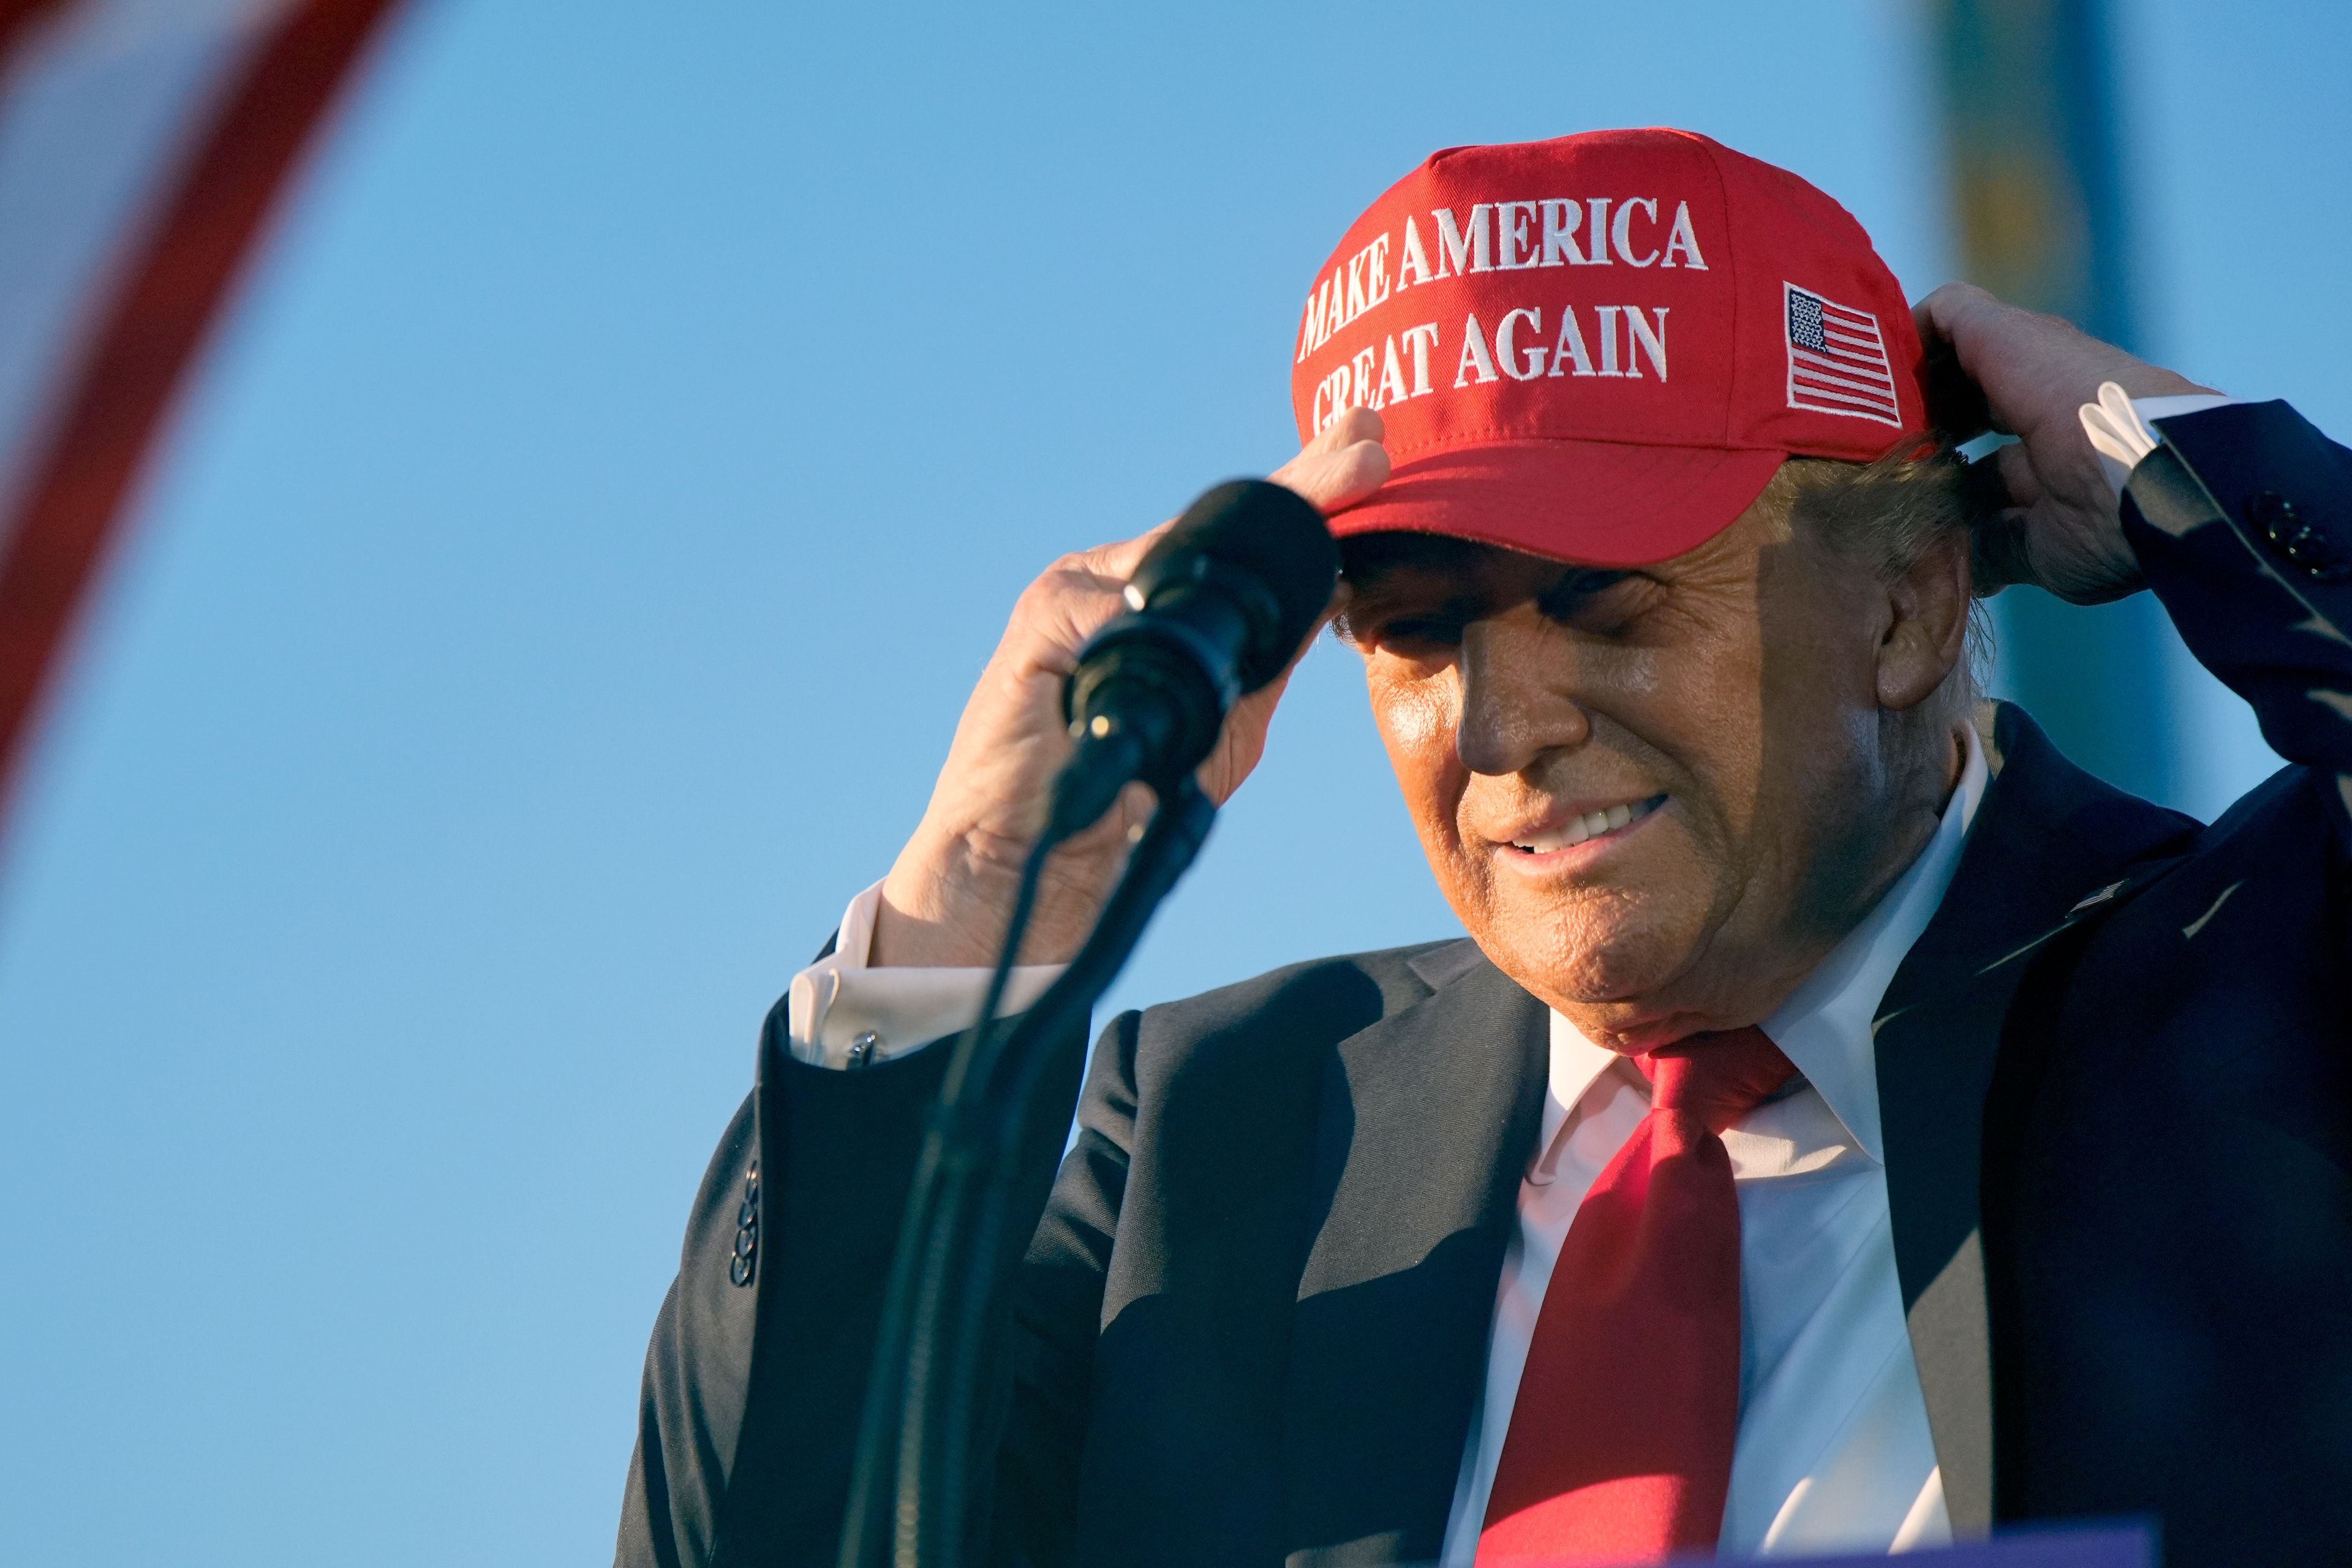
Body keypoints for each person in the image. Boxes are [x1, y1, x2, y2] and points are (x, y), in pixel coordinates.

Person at [616, 129, 2352, 1568]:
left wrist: (2193, 478)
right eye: (1417, 630)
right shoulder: (1217, 1132)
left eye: (1603, 602)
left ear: (1902, 602)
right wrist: (970, 904)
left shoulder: (2263, 988)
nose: (1502, 722)